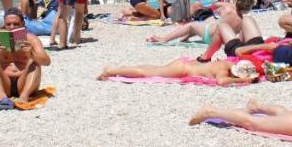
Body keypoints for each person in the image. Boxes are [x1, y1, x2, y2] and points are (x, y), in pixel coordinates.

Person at [0, 8, 52, 105]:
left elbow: (46, 62)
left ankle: (24, 97)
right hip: (4, 83)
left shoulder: (31, 38)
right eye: (8, 24)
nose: (12, 27)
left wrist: (31, 52)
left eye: (16, 24)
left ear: (23, 24)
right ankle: (2, 97)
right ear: (4, 25)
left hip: (24, 83)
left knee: (34, 63)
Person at [101, 56, 259, 86]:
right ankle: (110, 71)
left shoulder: (226, 62)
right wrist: (243, 80)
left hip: (184, 64)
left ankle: (115, 69)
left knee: (152, 69)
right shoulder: (223, 71)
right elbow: (221, 81)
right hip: (182, 69)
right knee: (145, 73)